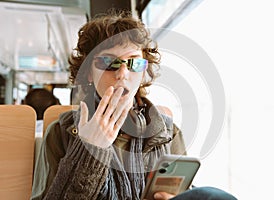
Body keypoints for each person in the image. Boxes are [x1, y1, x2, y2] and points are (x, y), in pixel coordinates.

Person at [31, 9, 237, 200]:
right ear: (88, 73)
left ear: (144, 72)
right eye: (108, 63)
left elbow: (183, 189)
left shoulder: (167, 132)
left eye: (134, 63)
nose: (122, 74)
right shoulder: (61, 132)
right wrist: (89, 151)